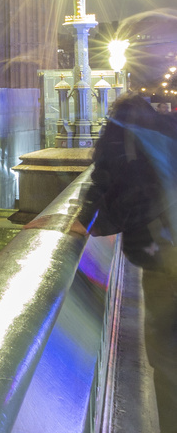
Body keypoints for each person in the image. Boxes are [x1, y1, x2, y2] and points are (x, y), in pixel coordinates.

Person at [84, 86, 177, 430]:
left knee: (168, 357)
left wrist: (86, 223)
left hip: (166, 260)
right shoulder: (168, 126)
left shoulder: (122, 140)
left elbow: (122, 196)